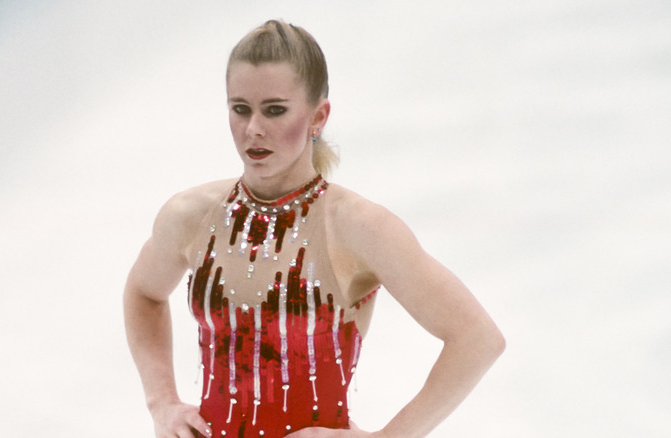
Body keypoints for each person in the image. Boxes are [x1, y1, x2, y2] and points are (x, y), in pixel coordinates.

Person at [124, 19, 505, 438]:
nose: (253, 129)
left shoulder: (358, 227)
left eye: (274, 110)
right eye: (240, 109)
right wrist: (162, 403)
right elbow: (144, 293)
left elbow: (476, 338)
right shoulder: (190, 216)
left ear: (318, 116)